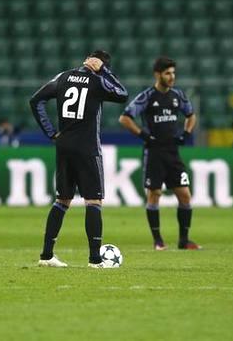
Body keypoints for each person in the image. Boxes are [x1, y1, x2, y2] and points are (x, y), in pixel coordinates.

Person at [29, 50, 128, 268]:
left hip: (63, 144)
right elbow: (122, 94)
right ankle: (95, 260)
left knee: (62, 200)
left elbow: (35, 100)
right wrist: (104, 71)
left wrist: (51, 132)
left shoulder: (63, 76)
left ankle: (46, 256)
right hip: (87, 147)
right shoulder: (98, 81)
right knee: (93, 201)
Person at [119, 56, 201, 251]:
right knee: (154, 194)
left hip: (173, 153)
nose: (172, 77)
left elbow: (191, 115)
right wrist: (144, 135)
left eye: (173, 73)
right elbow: (125, 118)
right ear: (157, 74)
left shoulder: (178, 96)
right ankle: (158, 241)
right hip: (154, 152)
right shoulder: (147, 96)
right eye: (167, 73)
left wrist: (187, 133)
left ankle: (184, 240)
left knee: (185, 196)